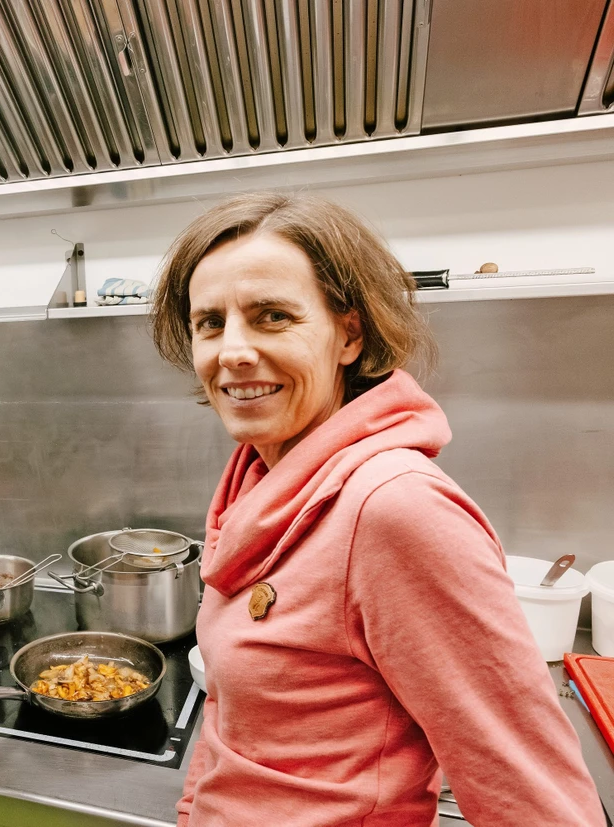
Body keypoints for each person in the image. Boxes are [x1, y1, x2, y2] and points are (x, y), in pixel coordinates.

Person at [151, 193, 604, 826]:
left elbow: (534, 797)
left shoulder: (393, 509)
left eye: (272, 316)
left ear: (349, 334)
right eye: (209, 322)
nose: (231, 351)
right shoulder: (259, 484)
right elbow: (232, 724)